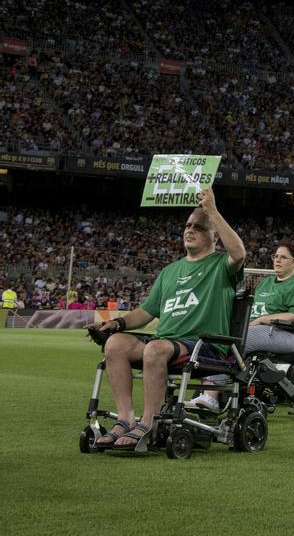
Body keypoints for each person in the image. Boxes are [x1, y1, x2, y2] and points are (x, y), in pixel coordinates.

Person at [87, 190, 245, 450]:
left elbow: (239, 254)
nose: (190, 230)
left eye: (198, 226)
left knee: (155, 348)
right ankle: (126, 419)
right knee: (115, 344)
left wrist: (212, 212)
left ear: (214, 235)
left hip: (204, 345)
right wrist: (117, 324)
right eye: (187, 226)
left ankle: (150, 422)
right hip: (167, 343)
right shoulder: (170, 270)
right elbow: (147, 312)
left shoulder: (220, 264)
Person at [186, 240, 294, 410]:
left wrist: (262, 319)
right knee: (217, 336)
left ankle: (211, 397)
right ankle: (211, 391)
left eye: (283, 257)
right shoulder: (266, 282)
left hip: (287, 333)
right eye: (276, 256)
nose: (277, 260)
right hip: (258, 330)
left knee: (236, 341)